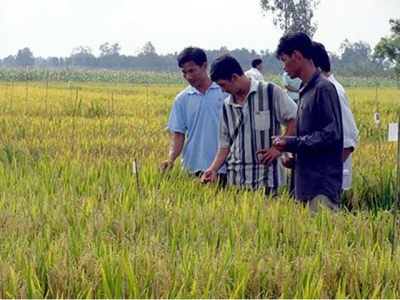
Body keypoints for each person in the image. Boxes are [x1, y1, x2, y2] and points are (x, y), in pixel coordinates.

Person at [201, 54, 297, 195]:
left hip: (268, 180)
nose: (222, 90)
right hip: (236, 182)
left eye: (223, 85)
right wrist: (213, 169)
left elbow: (295, 118)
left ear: (234, 77)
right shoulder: (227, 106)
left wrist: (279, 148)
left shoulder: (269, 92)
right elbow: (224, 146)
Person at [273, 32, 343, 213]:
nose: (284, 67)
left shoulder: (323, 88)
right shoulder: (305, 90)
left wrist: (291, 142)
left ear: (296, 55)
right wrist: (294, 158)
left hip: (320, 188)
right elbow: (310, 138)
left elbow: (331, 133)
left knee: (321, 239)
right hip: (303, 185)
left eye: (284, 59)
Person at [161, 47, 227, 183]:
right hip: (193, 167)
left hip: (224, 167)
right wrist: (171, 159)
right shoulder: (182, 99)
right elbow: (178, 134)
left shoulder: (224, 92)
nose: (188, 77)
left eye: (192, 71)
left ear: (204, 66)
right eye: (184, 72)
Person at [312, 41, 359, 192]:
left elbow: (348, 139)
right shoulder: (317, 89)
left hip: (330, 182)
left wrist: (328, 173)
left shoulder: (333, 91)